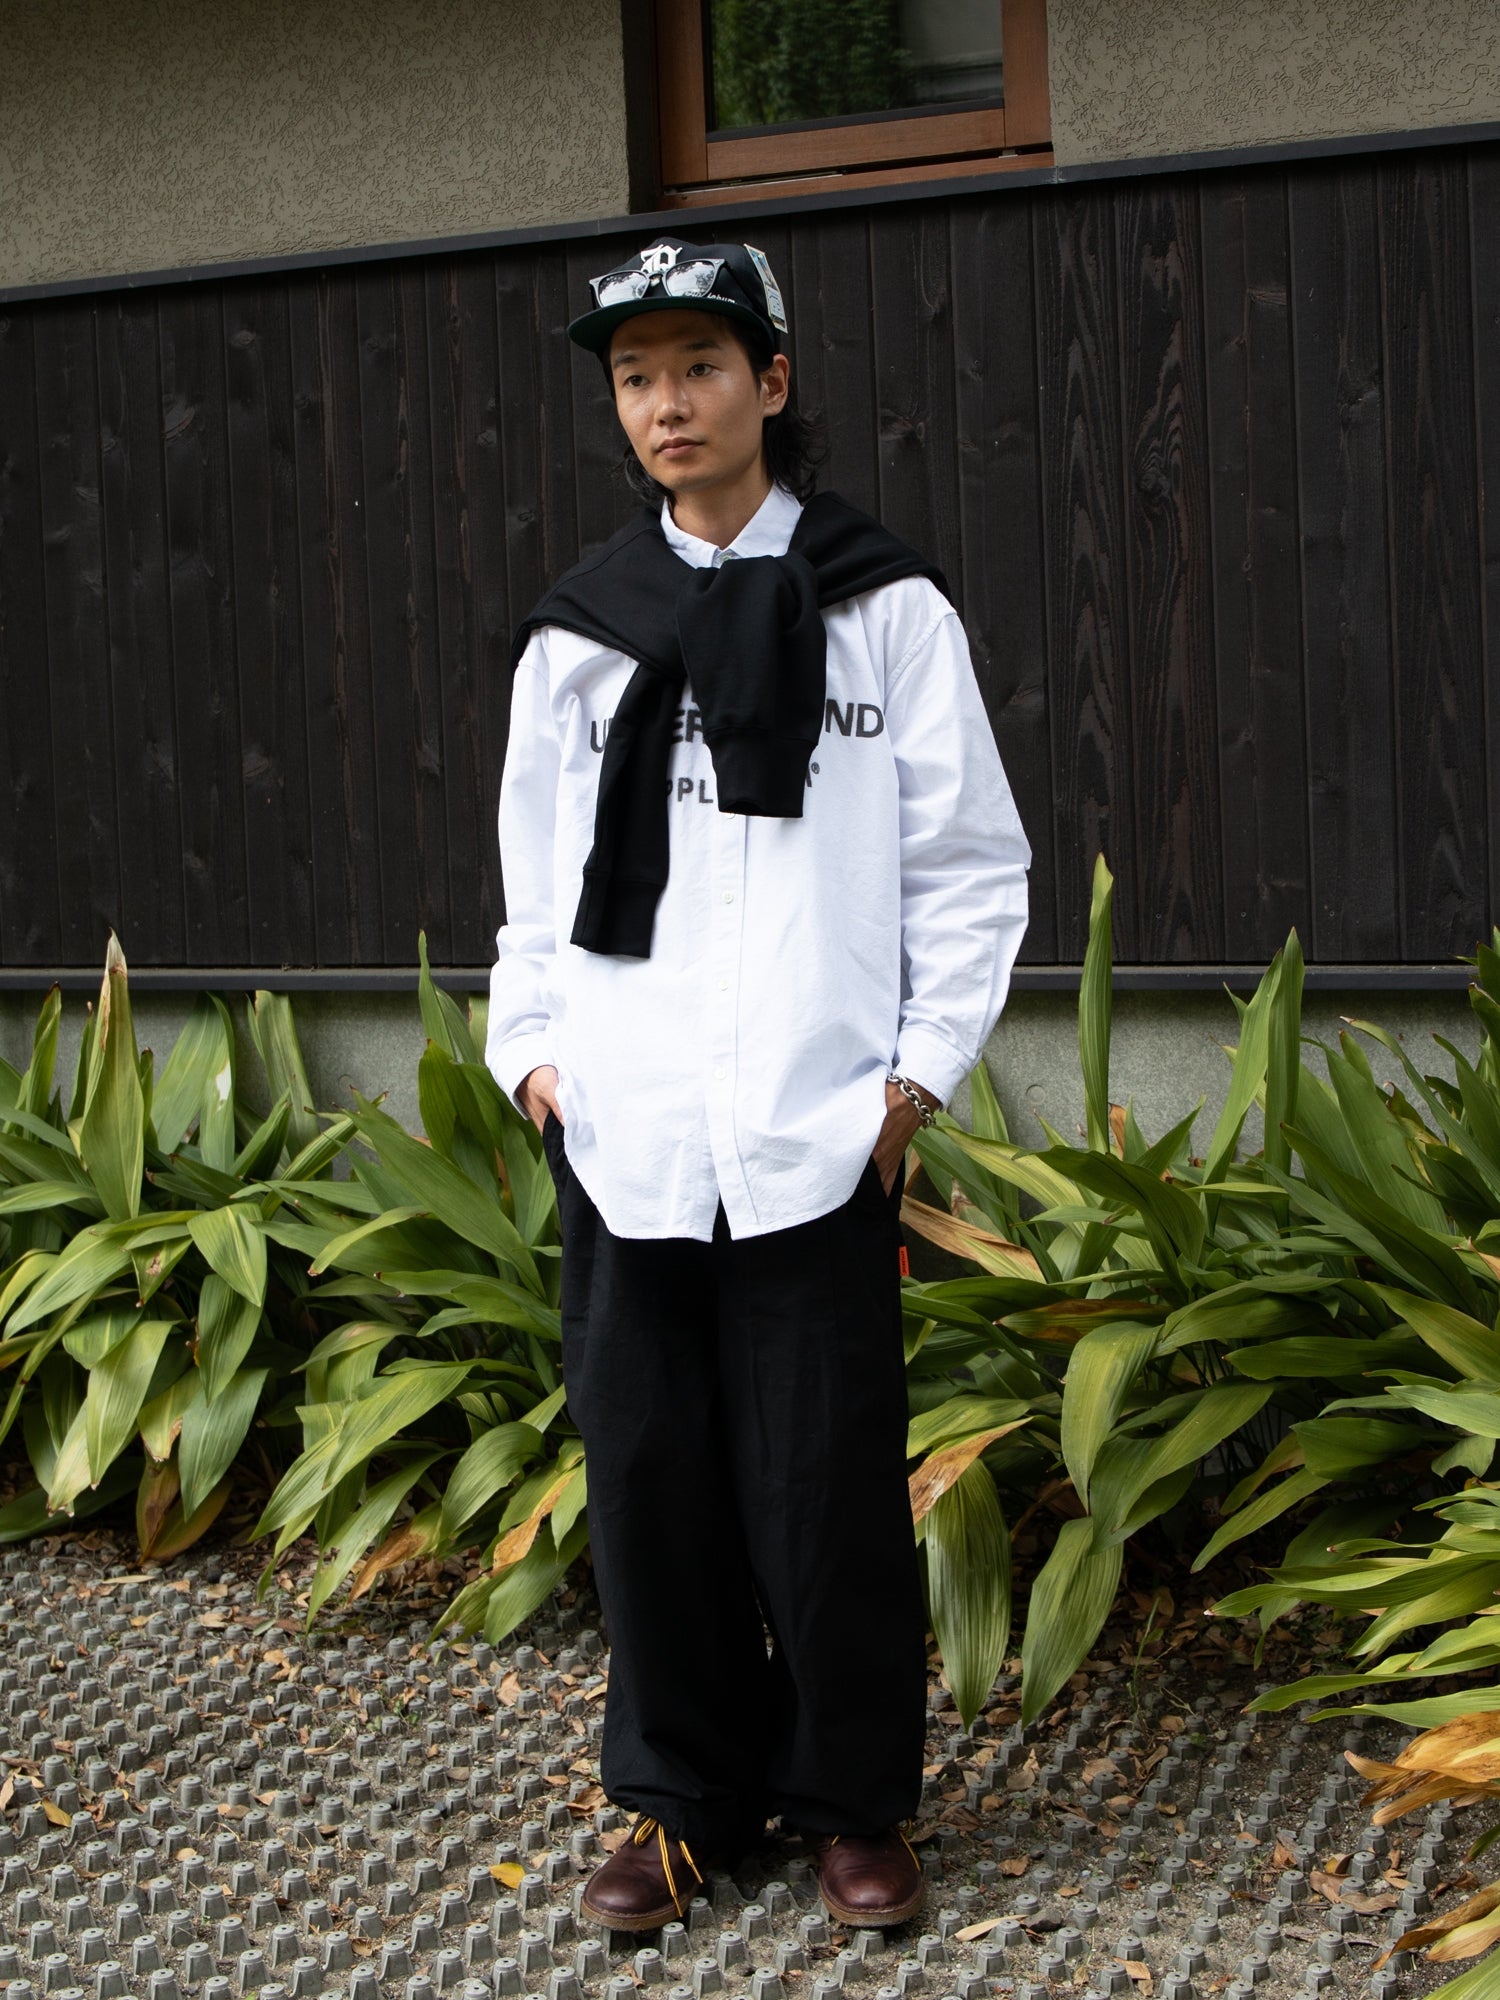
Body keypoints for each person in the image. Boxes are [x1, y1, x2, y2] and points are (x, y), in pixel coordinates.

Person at [485, 236, 1030, 1933]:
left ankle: (852, 1802)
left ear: (770, 383)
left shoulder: (886, 612)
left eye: (701, 367)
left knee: (827, 1486)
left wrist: (911, 1085)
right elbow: (530, 884)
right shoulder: (581, 636)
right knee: (650, 1483)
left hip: (817, 1132)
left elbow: (969, 866)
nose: (668, 403)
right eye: (636, 376)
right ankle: (677, 1801)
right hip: (627, 1132)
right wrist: (539, 1063)